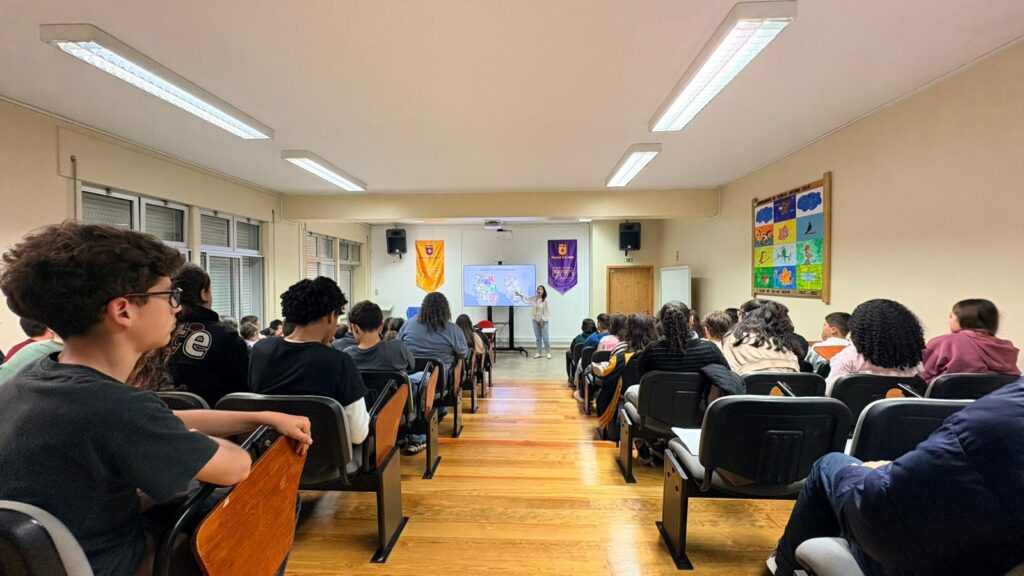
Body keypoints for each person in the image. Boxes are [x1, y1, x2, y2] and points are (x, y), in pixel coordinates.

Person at [0, 222, 312, 576]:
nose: (177, 308)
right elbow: (236, 466)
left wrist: (261, 416)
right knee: (266, 497)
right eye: (169, 296)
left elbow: (157, 420)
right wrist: (195, 441)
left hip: (49, 558)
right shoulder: (118, 408)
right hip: (113, 564)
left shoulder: (32, 381)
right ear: (123, 311)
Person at [767, 376, 1024, 576]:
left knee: (829, 463)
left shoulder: (998, 412)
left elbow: (895, 498)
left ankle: (784, 566)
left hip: (907, 544)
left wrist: (881, 471)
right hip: (994, 552)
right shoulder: (917, 372)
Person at [250, 277, 369, 445]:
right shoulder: (339, 362)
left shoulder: (260, 349)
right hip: (324, 457)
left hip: (268, 452)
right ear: (331, 317)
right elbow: (357, 434)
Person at [344, 300, 426, 455]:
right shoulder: (397, 347)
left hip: (361, 416)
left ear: (354, 328)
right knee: (423, 378)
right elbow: (412, 365)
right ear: (381, 326)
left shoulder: (346, 357)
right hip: (396, 411)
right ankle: (418, 436)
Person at [167, 264, 250, 407]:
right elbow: (243, 394)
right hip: (219, 417)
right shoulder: (227, 337)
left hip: (163, 414)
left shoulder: (162, 334)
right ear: (203, 293)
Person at [825, 299, 924, 395]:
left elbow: (829, 393)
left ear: (858, 329)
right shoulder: (913, 361)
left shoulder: (848, 357)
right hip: (901, 406)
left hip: (854, 407)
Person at [918, 299, 1020, 383]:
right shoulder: (1007, 348)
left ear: (963, 319)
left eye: (951, 316)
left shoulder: (944, 343)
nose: (949, 321)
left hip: (944, 401)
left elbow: (921, 376)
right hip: (996, 401)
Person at [722, 300, 799, 375]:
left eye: (740, 314)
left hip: (746, 383)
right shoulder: (787, 346)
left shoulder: (734, 338)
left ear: (745, 315)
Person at [399, 292, 469, 374]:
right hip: (441, 377)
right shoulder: (453, 330)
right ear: (446, 309)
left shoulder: (407, 324)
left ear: (423, 307)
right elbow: (464, 353)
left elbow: (398, 346)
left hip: (409, 375)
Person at [518, 284, 551, 358]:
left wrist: (543, 320)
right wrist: (520, 295)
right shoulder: (534, 298)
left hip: (543, 321)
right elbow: (527, 298)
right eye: (538, 289)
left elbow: (547, 312)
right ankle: (539, 352)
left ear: (543, 291)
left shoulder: (546, 300)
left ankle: (548, 352)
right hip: (535, 320)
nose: (539, 290)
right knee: (538, 338)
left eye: (541, 289)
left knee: (545, 338)